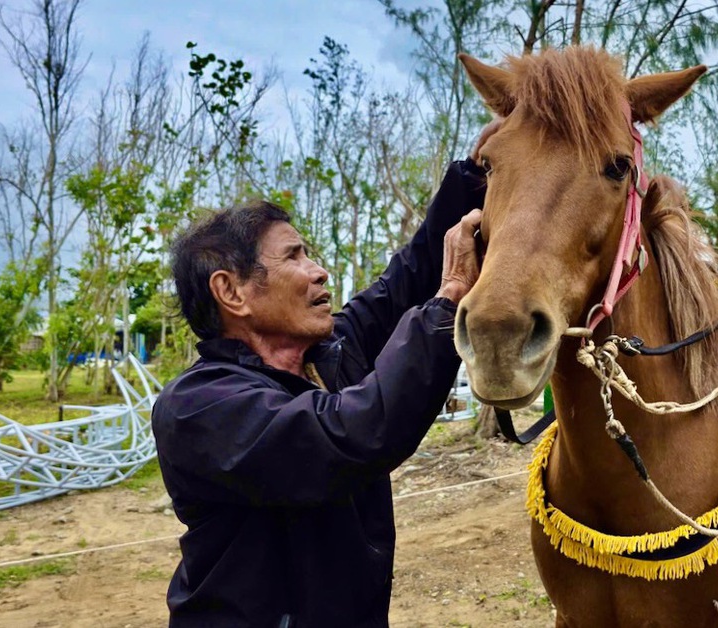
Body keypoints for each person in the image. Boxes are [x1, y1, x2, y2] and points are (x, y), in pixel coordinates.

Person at [151, 124, 498, 627]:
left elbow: (404, 279)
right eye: (294, 256)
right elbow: (351, 433)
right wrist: (448, 300)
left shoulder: (326, 357)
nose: (319, 272)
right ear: (232, 293)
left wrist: (474, 174)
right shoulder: (199, 407)